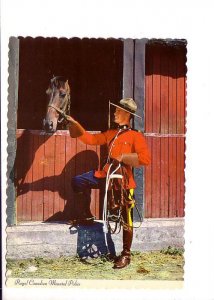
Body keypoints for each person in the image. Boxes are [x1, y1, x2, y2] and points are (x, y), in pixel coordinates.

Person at [66, 98, 151, 269]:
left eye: (118, 111)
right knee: (78, 181)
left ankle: (126, 254)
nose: (114, 113)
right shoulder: (111, 133)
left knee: (126, 220)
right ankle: (86, 214)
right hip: (105, 175)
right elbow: (91, 139)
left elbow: (145, 159)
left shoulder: (136, 136)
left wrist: (123, 157)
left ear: (127, 114)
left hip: (123, 182)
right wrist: (76, 124)